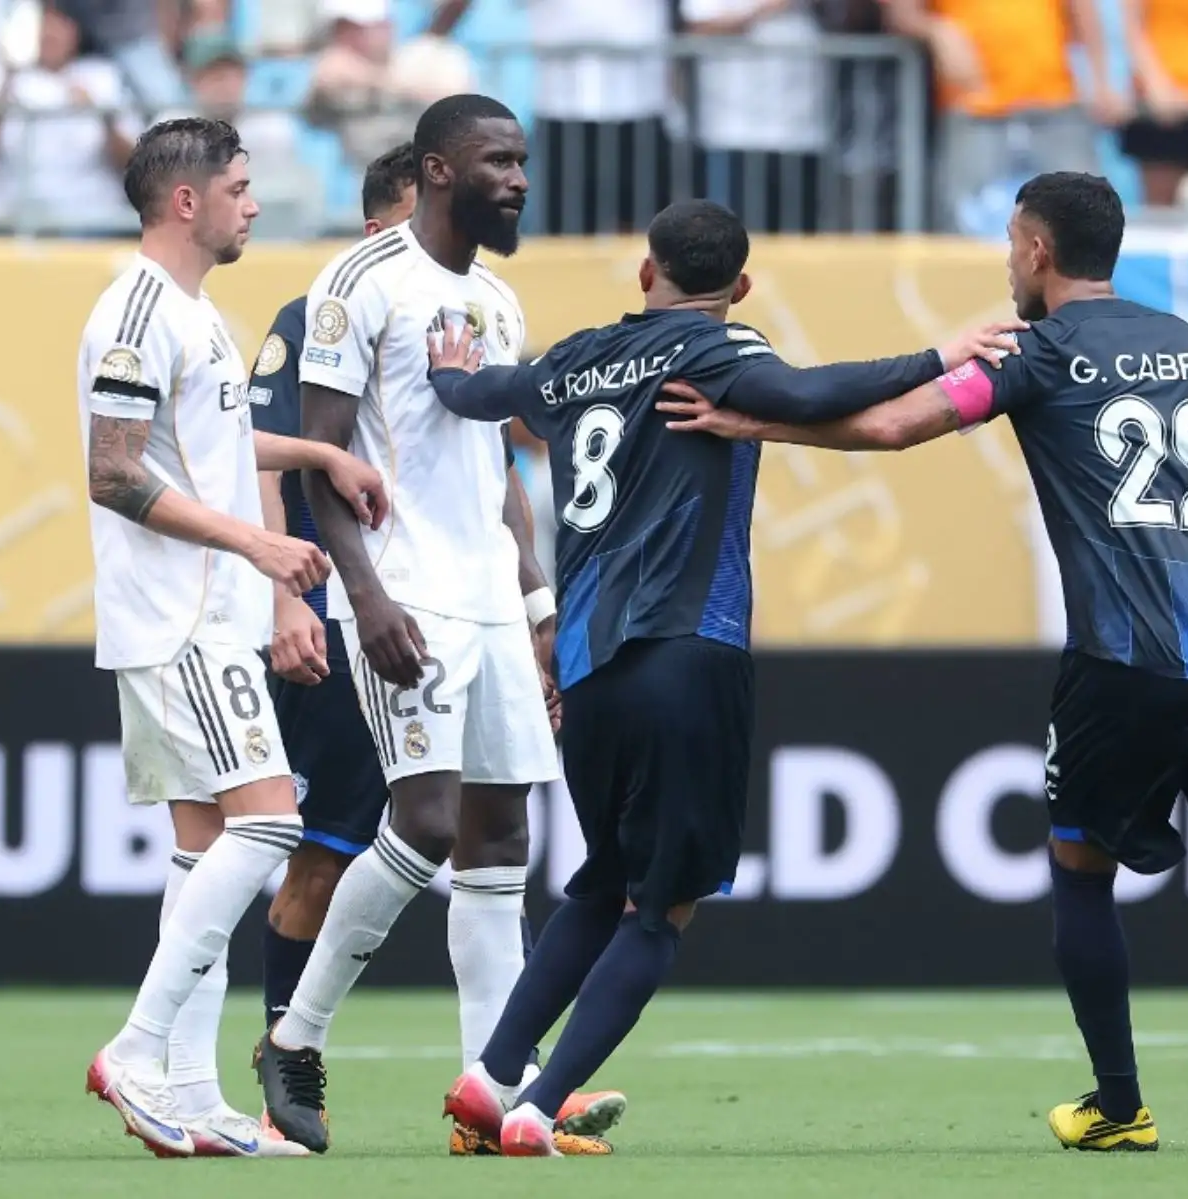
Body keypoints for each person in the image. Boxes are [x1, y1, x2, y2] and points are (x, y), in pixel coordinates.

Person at [653, 172, 1188, 1156]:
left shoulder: (1037, 351)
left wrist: (749, 422)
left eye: (1011, 244)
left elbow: (897, 424)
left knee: (1080, 869)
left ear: (1035, 251)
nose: (1007, 263)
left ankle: (1119, 1102)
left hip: (1122, 660)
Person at [424, 197, 1024, 1156]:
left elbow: (490, 395)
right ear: (739, 287)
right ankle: (539, 1107)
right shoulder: (720, 351)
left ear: (644, 272)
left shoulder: (577, 356)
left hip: (586, 669)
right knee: (661, 908)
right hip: (685, 652)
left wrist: (452, 376)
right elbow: (820, 393)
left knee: (601, 880)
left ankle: (490, 1074)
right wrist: (941, 353)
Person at [247, 140, 625, 1157]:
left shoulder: (497, 297)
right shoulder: (356, 279)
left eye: (525, 160)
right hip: (404, 592)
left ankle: (488, 1091)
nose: (521, 179)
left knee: (501, 840)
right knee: (420, 821)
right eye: (501, 160)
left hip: (490, 599)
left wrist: (537, 601)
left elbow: (499, 462)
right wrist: (361, 593)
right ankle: (294, 1033)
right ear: (443, 169)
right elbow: (324, 451)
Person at [78, 116, 387, 1159]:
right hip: (179, 618)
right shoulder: (133, 312)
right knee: (269, 827)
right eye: (241, 188)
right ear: (186, 200)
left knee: (203, 848)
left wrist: (316, 454)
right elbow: (113, 471)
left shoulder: (195, 313)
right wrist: (256, 542)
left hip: (197, 614)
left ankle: (195, 1090)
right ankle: (136, 1045)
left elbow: (210, 437)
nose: (254, 204)